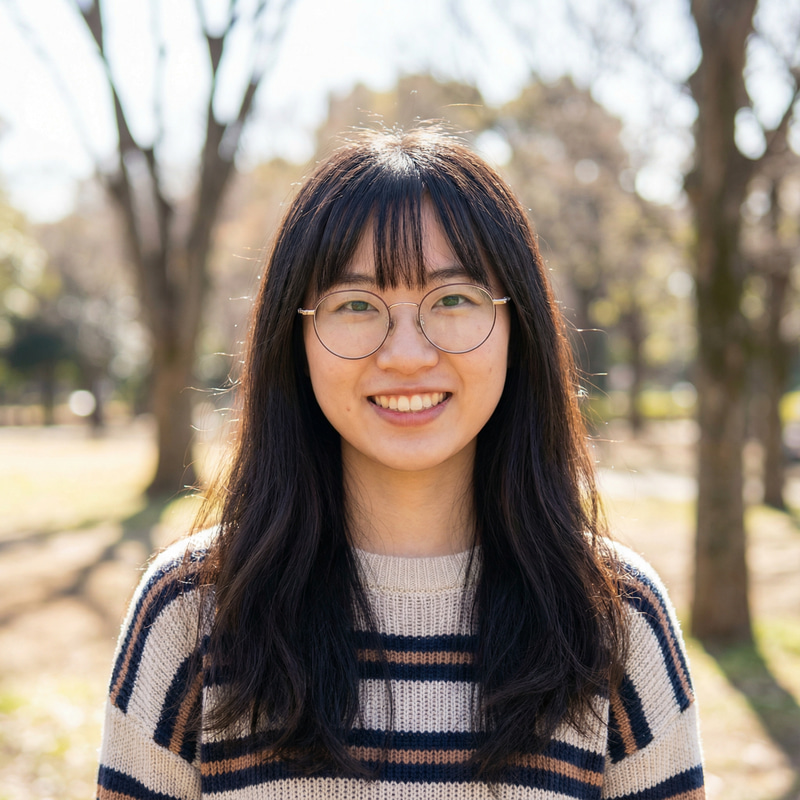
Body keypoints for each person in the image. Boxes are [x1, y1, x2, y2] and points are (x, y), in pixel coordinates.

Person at [96, 126, 705, 800]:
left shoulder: (614, 616)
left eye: (453, 300)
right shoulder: (192, 612)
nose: (407, 354)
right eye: (356, 305)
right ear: (294, 338)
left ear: (517, 328)